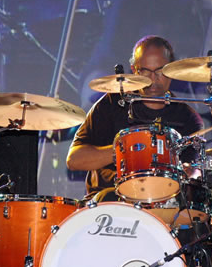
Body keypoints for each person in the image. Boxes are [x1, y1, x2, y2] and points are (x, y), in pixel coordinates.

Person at [66, 35, 204, 202]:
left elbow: (195, 170)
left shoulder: (187, 117)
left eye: (160, 70)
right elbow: (74, 160)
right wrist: (127, 150)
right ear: (134, 70)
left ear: (171, 70)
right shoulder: (113, 103)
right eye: (146, 71)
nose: (153, 79)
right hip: (110, 201)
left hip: (164, 203)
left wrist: (191, 172)